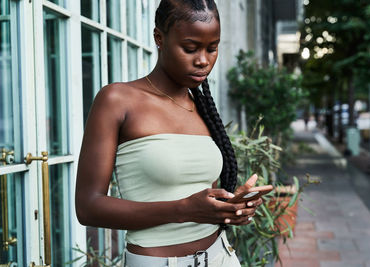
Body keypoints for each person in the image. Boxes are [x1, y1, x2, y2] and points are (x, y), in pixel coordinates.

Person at [75, 1, 263, 266]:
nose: (203, 60)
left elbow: (203, 196)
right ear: (159, 38)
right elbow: (88, 207)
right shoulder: (117, 100)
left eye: (212, 48)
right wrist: (183, 210)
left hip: (221, 256)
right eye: (190, 48)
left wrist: (230, 210)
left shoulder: (202, 108)